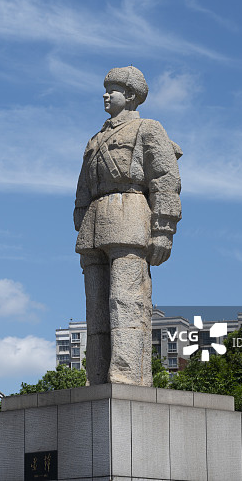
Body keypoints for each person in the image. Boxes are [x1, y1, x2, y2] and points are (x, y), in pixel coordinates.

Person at [74, 66, 182, 386]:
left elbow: (165, 178)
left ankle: (126, 376)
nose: (106, 95)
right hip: (95, 222)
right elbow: (83, 186)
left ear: (131, 96)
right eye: (105, 89)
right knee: (96, 307)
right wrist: (81, 216)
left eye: (114, 89)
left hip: (131, 214)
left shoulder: (148, 129)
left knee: (126, 300)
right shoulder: (95, 139)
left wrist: (163, 228)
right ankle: (98, 376)